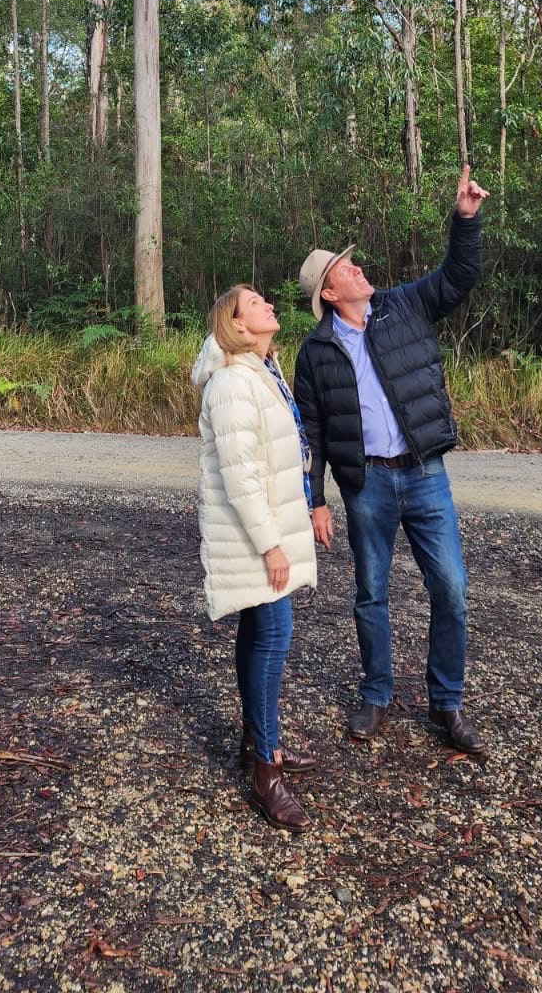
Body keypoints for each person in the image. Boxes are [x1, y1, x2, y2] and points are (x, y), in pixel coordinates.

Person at [294, 165, 489, 751]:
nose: (358, 268)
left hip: (425, 474)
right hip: (367, 486)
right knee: (370, 593)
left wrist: (465, 219)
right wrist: (317, 501)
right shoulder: (317, 350)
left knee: (451, 589)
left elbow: (459, 275)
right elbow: (312, 432)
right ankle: (376, 694)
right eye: (344, 268)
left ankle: (446, 704)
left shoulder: (405, 306)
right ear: (329, 293)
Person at [192, 285, 319, 831]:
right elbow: (240, 474)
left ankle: (257, 739)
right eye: (256, 304)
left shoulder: (263, 372)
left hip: (266, 531)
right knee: (273, 637)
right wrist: (272, 544)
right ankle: (266, 769)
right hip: (254, 536)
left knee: (260, 631)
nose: (269, 306)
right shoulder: (232, 383)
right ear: (238, 327)